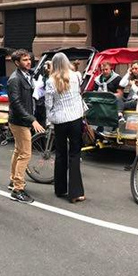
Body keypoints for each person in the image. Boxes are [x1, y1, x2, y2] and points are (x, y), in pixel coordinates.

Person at [44, 52, 85, 203]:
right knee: (74, 154)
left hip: (60, 120)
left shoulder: (50, 81)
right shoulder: (76, 76)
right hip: (75, 119)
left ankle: (60, 189)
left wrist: (50, 120)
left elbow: (48, 104)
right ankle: (75, 192)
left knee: (61, 154)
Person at [7, 49, 45, 203]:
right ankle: (18, 189)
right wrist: (32, 119)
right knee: (25, 154)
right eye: (24, 60)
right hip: (20, 121)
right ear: (17, 62)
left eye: (29, 59)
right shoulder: (15, 79)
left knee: (18, 151)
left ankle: (13, 180)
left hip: (21, 120)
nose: (29, 62)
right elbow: (15, 103)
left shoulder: (25, 75)